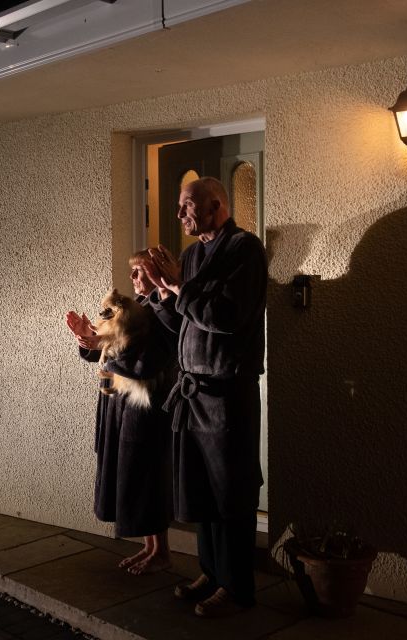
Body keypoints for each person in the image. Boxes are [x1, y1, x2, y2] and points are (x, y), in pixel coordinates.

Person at [139, 176, 267, 618]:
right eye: (179, 206)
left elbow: (227, 317)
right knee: (201, 491)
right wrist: (160, 297)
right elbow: (187, 324)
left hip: (227, 393)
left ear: (217, 206)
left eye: (188, 206)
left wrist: (179, 288)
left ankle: (238, 588)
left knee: (230, 493)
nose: (179, 215)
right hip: (193, 393)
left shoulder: (244, 251)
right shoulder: (192, 256)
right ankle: (211, 573)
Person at [64, 253, 177, 574]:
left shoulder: (164, 310)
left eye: (141, 271)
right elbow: (106, 349)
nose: (134, 278)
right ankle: (150, 547)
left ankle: (162, 552)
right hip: (119, 404)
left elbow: (149, 361)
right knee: (131, 473)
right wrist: (89, 339)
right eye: (134, 272)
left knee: (146, 475)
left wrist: (103, 346)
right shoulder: (132, 307)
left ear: (157, 273)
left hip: (146, 407)